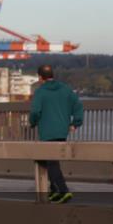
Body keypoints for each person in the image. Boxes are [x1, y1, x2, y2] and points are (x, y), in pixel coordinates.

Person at [29, 65, 84, 204]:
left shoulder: (40, 92)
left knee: (51, 163)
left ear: (40, 77)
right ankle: (54, 191)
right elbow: (78, 105)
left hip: (47, 131)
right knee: (52, 161)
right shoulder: (65, 89)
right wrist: (75, 123)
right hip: (62, 131)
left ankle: (63, 190)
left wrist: (33, 122)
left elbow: (35, 111)